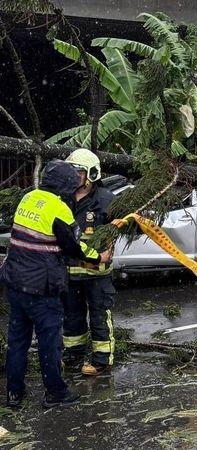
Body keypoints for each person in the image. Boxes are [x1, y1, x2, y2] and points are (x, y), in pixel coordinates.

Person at [1, 160, 110, 408]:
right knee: (50, 341)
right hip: (42, 288)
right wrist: (97, 257)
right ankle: (55, 393)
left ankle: (14, 394)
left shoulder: (28, 198)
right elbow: (73, 246)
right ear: (66, 186)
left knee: (17, 340)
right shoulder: (59, 209)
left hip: (15, 283)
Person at [62, 148, 117, 376]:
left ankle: (101, 361)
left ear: (91, 174)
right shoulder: (62, 198)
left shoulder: (106, 200)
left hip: (97, 273)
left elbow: (118, 228)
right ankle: (73, 357)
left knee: (99, 317)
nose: (73, 176)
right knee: (72, 318)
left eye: (78, 172)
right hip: (69, 273)